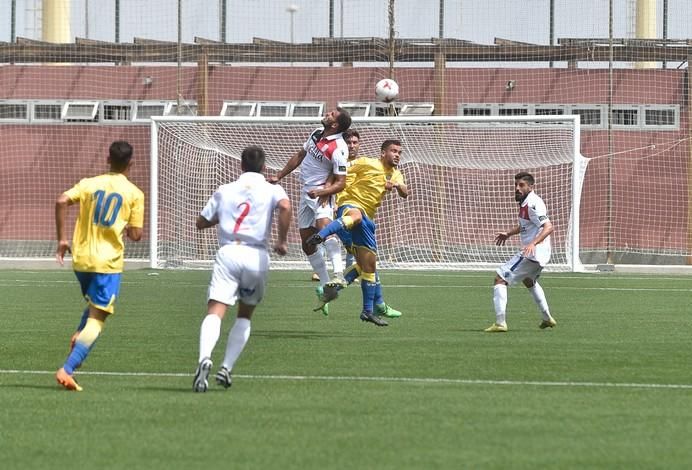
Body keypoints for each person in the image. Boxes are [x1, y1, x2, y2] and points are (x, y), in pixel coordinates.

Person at [193, 146, 291, 392]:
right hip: (256, 254)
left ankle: (204, 357)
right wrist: (281, 240)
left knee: (215, 310)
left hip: (229, 252)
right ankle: (226, 366)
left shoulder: (224, 190)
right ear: (264, 167)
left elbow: (201, 222)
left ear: (240, 165)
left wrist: (222, 218)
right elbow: (286, 207)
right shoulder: (272, 188)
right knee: (244, 315)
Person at [54, 141, 144, 391]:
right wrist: (127, 227)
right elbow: (136, 235)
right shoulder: (135, 193)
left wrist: (62, 239)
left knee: (95, 306)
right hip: (107, 262)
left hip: (81, 259)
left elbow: (61, 201)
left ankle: (79, 333)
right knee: (99, 318)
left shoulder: (88, 183)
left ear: (107, 160)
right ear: (130, 164)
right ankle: (67, 369)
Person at [307, 139, 409, 326]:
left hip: (367, 219)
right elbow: (338, 171)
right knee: (357, 216)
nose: (397, 155)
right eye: (393, 151)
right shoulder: (366, 162)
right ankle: (321, 236)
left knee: (368, 266)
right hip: (349, 206)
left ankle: (365, 309)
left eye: (399, 152)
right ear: (383, 153)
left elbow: (405, 192)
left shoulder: (396, 174)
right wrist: (326, 191)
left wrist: (395, 185)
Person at [269, 107, 351, 316]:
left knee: (325, 231)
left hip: (321, 195)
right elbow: (300, 155)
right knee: (307, 243)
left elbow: (341, 182)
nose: (327, 113)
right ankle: (326, 286)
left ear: (335, 125)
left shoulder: (339, 148)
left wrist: (324, 190)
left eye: (331, 114)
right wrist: (280, 175)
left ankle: (339, 274)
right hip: (304, 194)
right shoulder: (316, 133)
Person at [485, 172, 557, 332]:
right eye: (516, 185)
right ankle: (547, 318)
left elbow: (549, 227)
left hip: (533, 252)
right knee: (529, 281)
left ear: (531, 187)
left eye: (521, 185)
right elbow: (527, 225)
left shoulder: (533, 203)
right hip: (540, 253)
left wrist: (532, 243)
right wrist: (509, 233)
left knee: (500, 279)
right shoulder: (526, 203)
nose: (517, 188)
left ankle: (500, 323)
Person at [310, 128, 361, 282]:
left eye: (355, 142)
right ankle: (324, 271)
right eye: (349, 142)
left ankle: (350, 270)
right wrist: (327, 194)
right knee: (325, 231)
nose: (352, 145)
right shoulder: (338, 159)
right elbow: (332, 180)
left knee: (353, 239)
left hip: (355, 206)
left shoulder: (363, 163)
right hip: (336, 204)